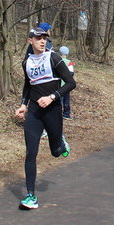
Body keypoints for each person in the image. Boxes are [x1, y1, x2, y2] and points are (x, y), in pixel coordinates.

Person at [13, 27, 76, 210]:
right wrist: (24, 105)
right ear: (30, 40)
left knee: (55, 152)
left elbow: (71, 83)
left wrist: (52, 97)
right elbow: (28, 85)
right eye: (38, 38)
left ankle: (60, 142)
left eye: (45, 38)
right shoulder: (27, 63)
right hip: (34, 112)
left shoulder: (53, 58)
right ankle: (31, 196)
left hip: (53, 110)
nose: (42, 41)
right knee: (30, 152)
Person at [58, 45, 74, 120]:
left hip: (57, 83)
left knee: (58, 99)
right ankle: (66, 114)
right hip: (66, 84)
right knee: (66, 99)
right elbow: (71, 73)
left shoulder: (56, 60)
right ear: (67, 53)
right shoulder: (69, 62)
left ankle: (57, 113)